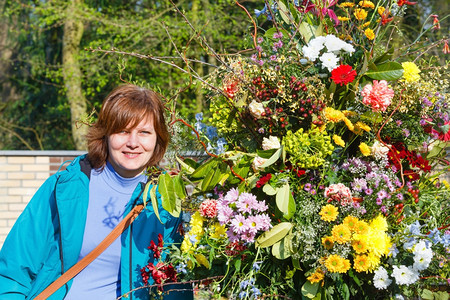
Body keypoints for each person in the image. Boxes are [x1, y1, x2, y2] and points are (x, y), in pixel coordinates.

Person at [0, 84, 192, 299]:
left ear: (158, 139)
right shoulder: (65, 188)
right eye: (123, 131)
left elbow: (174, 285)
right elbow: (14, 271)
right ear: (106, 135)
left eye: (144, 132)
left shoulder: (168, 202)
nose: (133, 143)